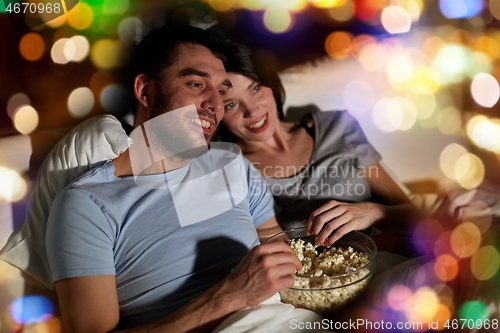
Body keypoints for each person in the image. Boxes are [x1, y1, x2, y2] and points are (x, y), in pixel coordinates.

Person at [45, 26, 309, 332]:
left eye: (221, 91)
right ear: (145, 91)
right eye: (197, 84)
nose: (216, 104)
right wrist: (227, 297)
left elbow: (283, 253)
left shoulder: (232, 164)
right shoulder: (87, 205)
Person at [218, 42, 419, 250]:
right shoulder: (233, 171)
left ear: (271, 83)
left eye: (255, 89)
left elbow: (414, 215)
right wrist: (367, 249)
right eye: (230, 105)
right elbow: (280, 261)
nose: (252, 110)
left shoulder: (336, 126)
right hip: (339, 276)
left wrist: (375, 211)